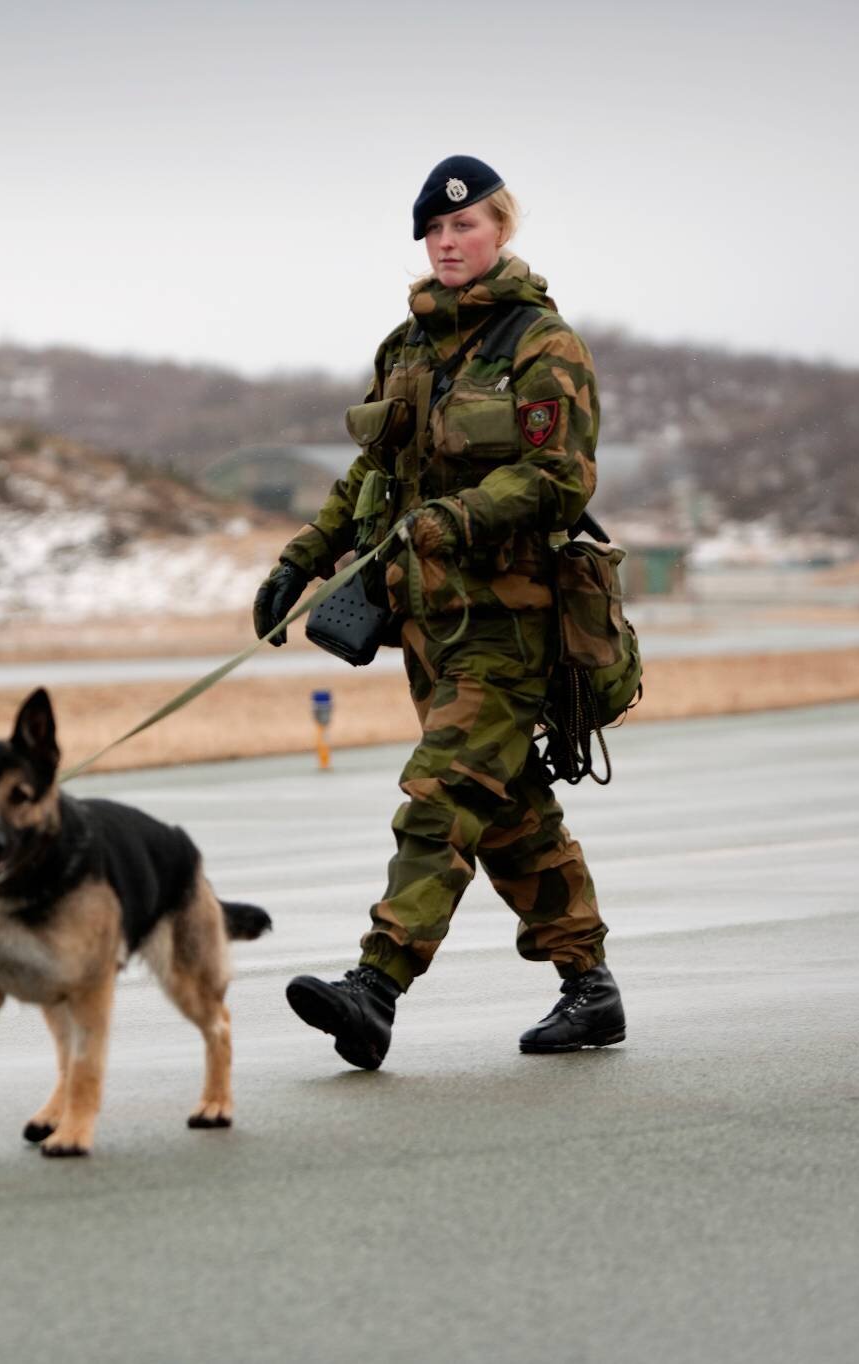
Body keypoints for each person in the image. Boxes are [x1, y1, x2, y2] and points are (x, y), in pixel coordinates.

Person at [252, 154, 624, 1068]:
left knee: (444, 793)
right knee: (507, 812)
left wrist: (452, 518)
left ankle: (375, 986)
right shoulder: (407, 348)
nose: (449, 242)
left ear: (501, 229)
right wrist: (305, 555)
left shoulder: (543, 343)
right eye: (435, 230)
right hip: (430, 626)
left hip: (512, 623)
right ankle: (591, 988)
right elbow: (372, 474)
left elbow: (557, 479)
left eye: (466, 226)